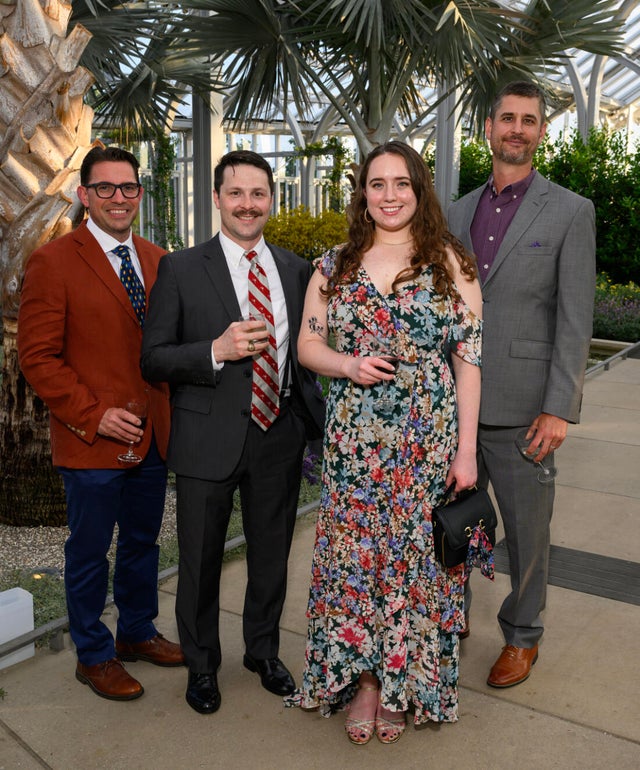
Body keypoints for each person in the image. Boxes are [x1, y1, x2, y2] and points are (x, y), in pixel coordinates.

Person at [286, 141, 483, 744]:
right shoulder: (334, 266)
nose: (390, 195)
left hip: (426, 445)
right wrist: (346, 365)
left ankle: (405, 686)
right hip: (354, 450)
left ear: (420, 191)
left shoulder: (451, 263)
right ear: (362, 193)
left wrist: (467, 451)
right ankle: (366, 682)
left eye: (402, 183)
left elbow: (469, 361)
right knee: (356, 565)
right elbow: (307, 347)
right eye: (378, 184)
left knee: (415, 565)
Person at [140, 150, 325, 715]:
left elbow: (310, 355)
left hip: (279, 434)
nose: (248, 204)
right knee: (200, 560)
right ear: (218, 198)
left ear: (273, 200)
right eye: (236, 193)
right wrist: (214, 351)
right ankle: (202, 666)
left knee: (272, 555)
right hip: (207, 439)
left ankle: (263, 652)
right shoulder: (181, 267)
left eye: (259, 194)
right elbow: (153, 359)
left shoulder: (298, 270)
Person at [18, 145, 183, 702]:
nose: (119, 197)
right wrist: (94, 415)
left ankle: (136, 632)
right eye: (106, 188)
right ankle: (93, 653)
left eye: (128, 187)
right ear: (83, 195)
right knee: (90, 552)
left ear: (140, 193)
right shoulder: (54, 260)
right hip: (91, 440)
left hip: (152, 437)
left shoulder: (160, 260)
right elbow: (37, 357)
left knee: (142, 543)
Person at [448, 80, 596, 688]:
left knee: (528, 533)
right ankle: (446, 619)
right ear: (487, 127)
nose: (517, 128)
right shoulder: (454, 211)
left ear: (541, 131)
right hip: (454, 409)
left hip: (522, 411)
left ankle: (522, 635)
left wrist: (559, 407)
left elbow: (575, 317)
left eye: (528, 120)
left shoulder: (569, 210)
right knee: (453, 525)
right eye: (506, 117)